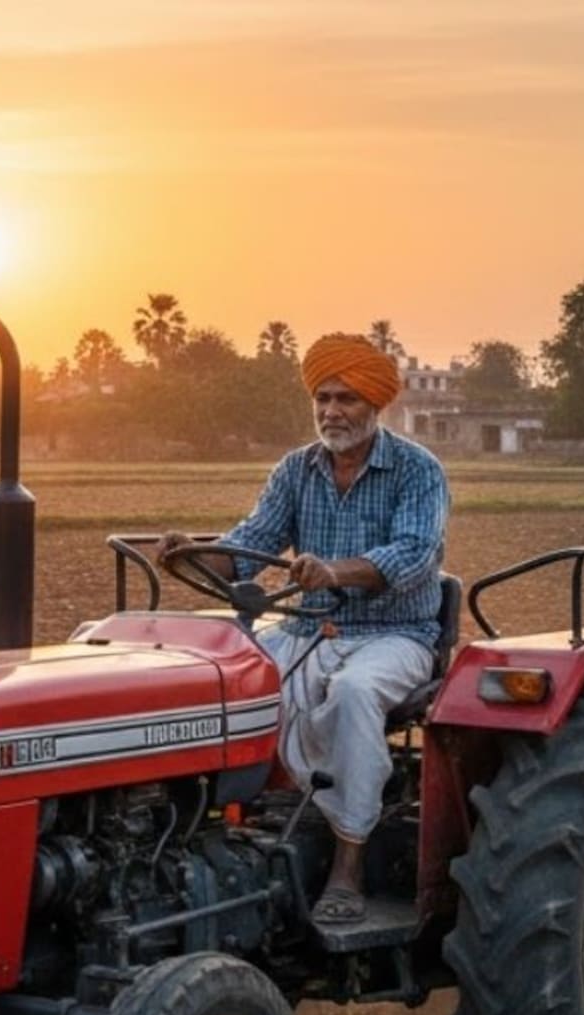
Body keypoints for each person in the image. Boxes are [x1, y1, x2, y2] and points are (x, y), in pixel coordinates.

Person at [158, 333, 449, 924]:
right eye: (323, 398)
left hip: (396, 634)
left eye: (345, 399)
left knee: (352, 693)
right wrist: (192, 554)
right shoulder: (297, 470)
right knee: (234, 678)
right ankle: (227, 830)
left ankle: (347, 865)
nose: (332, 412)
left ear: (375, 405)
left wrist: (334, 571)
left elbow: (415, 555)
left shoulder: (418, 470)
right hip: (309, 626)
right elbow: (249, 546)